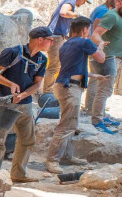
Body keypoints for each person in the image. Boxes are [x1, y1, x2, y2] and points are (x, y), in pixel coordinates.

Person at [0, 27, 52, 183]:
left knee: (27, 139)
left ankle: (18, 173)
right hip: (5, 102)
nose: (52, 43)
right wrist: (10, 85)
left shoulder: (42, 59)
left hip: (25, 104)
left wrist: (24, 94)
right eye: (50, 40)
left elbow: (37, 84)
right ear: (40, 39)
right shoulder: (13, 52)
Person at [45, 16, 106, 174]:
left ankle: (66, 155)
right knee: (66, 125)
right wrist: (100, 45)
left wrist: (93, 76)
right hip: (70, 88)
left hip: (66, 85)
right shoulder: (84, 42)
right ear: (85, 29)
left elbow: (72, 67)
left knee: (71, 124)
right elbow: (101, 58)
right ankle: (52, 160)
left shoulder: (66, 44)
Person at [88, 0, 122, 133]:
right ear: (120, 3)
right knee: (104, 89)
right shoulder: (112, 16)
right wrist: (100, 43)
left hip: (113, 56)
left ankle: (101, 116)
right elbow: (95, 34)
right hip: (107, 56)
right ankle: (97, 120)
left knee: (106, 89)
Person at [84, 0, 122, 115]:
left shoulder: (102, 10)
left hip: (95, 48)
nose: (119, 4)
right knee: (101, 80)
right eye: (118, 1)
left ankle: (91, 107)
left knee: (95, 78)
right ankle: (94, 110)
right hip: (98, 49)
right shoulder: (103, 11)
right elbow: (96, 31)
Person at [43, 0, 91, 90]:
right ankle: (47, 92)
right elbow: (63, 12)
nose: (83, 3)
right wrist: (76, 15)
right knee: (54, 67)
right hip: (56, 37)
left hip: (57, 36)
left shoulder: (69, 2)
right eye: (84, 1)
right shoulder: (71, 1)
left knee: (56, 66)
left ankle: (49, 90)